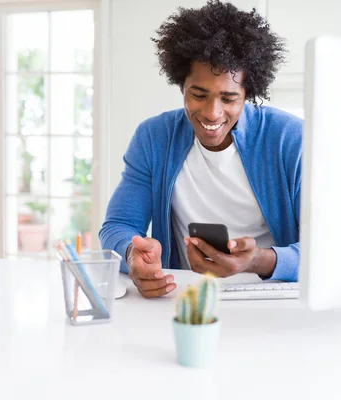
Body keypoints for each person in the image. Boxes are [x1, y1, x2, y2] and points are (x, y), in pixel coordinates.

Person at [99, 0, 302, 298]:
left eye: (229, 99)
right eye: (199, 94)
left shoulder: (289, 138)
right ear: (181, 85)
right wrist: (132, 255)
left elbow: (326, 250)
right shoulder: (154, 138)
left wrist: (258, 259)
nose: (212, 113)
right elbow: (117, 226)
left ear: (248, 94)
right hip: (186, 298)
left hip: (272, 298)